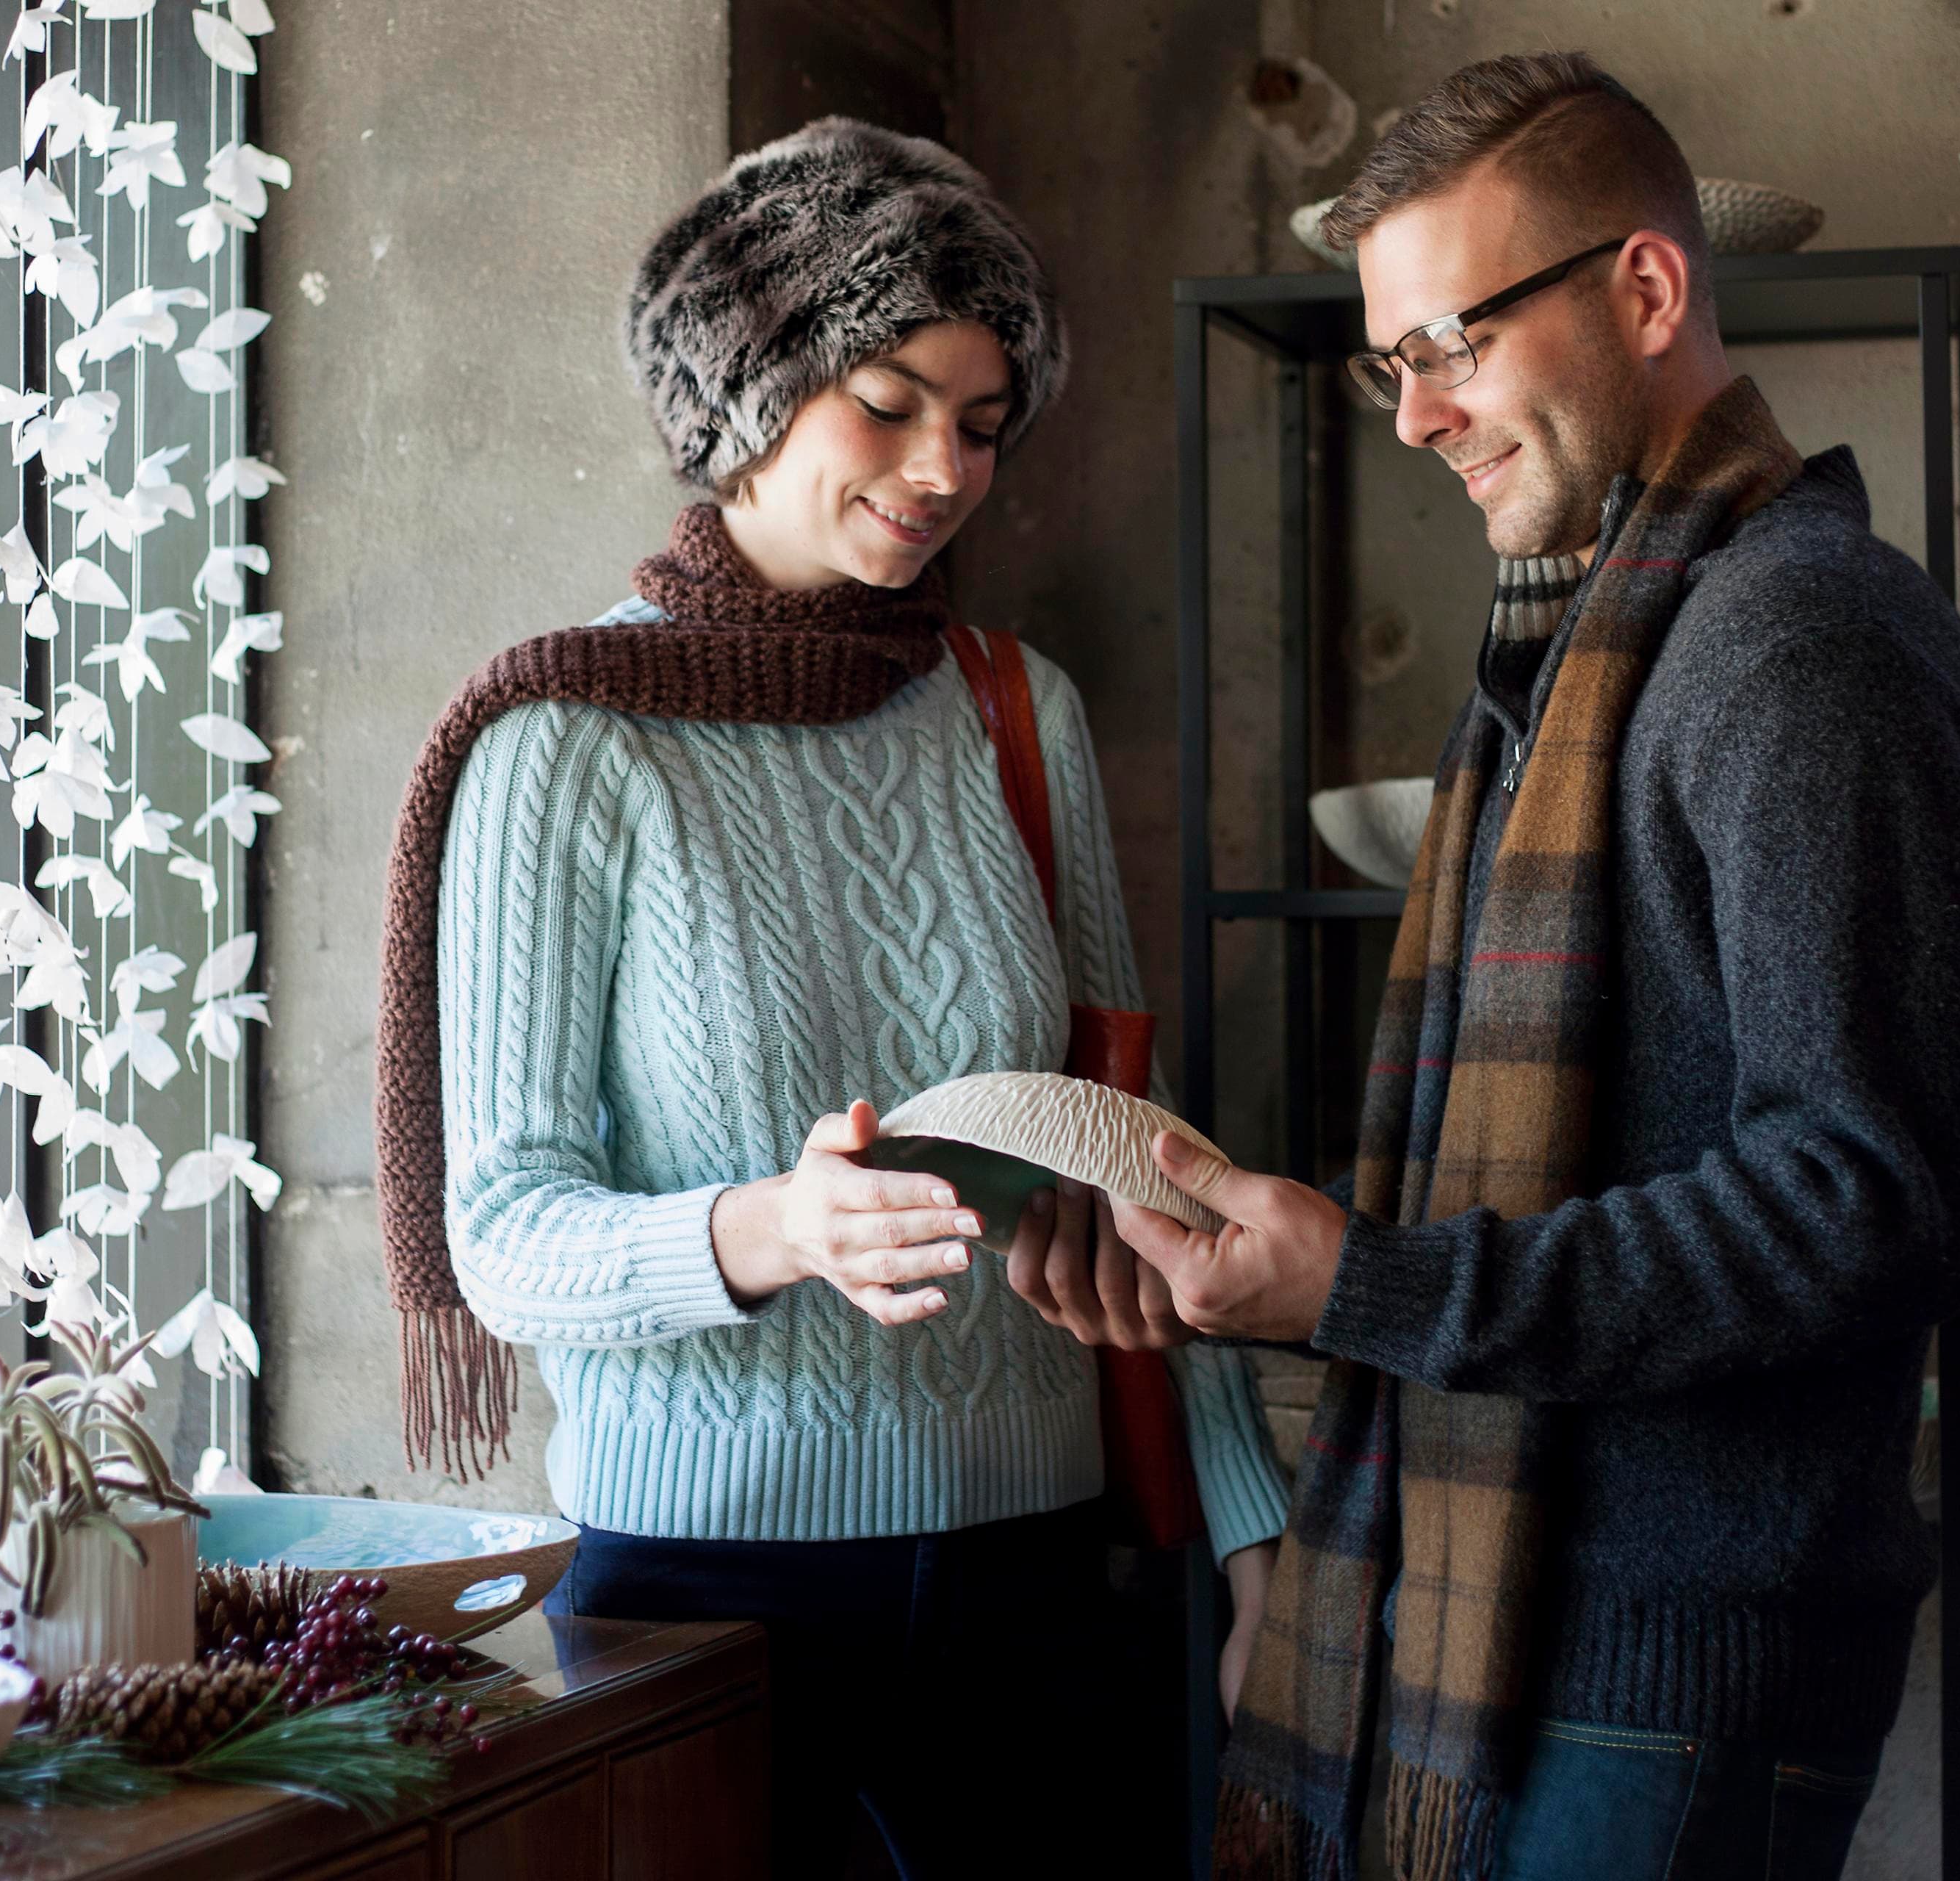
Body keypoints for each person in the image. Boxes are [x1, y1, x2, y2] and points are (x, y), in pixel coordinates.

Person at [1106, 53, 1960, 1881]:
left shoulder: (1793, 648)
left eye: (1450, 343)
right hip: (1534, 1653)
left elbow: (1864, 1204)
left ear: (1648, 290)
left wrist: (1366, 1283)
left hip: (1660, 1677)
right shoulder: (1607, 645)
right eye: (1389, 366)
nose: (1415, 417)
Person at [370, 118, 1289, 1877]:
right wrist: (772, 1227)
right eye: (889, 398)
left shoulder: (1019, 709)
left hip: (1042, 1571)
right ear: (744, 381)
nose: (944, 465)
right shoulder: (564, 742)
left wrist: (1259, 1545)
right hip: (698, 1602)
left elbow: (1146, 1161)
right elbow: (497, 1230)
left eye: (986, 422)